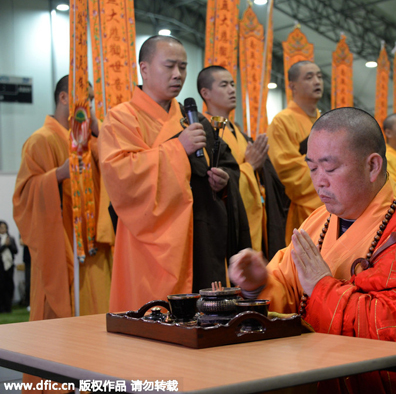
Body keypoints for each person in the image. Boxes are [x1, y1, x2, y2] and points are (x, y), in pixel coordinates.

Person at [229, 108, 396, 393]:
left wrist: (322, 287)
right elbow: (286, 287)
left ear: (372, 166)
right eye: (312, 168)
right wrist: (257, 285)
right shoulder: (318, 222)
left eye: (331, 168)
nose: (319, 181)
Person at [99, 36, 250, 313]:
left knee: (205, 321)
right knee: (156, 319)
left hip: (201, 237)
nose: (178, 75)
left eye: (183, 67)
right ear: (144, 69)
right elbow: (121, 176)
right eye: (169, 66)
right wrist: (178, 148)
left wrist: (223, 181)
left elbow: (226, 162)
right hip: (150, 243)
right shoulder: (121, 118)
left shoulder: (195, 119)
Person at [13, 75, 112, 320]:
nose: (88, 106)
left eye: (90, 99)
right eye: (84, 98)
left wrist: (101, 135)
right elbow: (23, 196)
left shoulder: (92, 142)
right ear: (63, 97)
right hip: (60, 244)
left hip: (94, 248)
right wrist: (57, 174)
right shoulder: (41, 140)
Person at [197, 66, 287, 260]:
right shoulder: (202, 131)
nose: (231, 89)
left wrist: (261, 169)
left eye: (232, 84)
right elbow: (209, 181)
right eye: (224, 85)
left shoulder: (239, 134)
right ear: (206, 93)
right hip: (227, 224)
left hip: (253, 217)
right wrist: (250, 166)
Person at [267, 61, 323, 243]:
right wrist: (331, 173)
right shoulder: (282, 122)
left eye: (319, 76)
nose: (317, 81)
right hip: (304, 212)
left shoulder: (327, 121)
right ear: (292, 86)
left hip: (334, 208)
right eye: (309, 77)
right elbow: (288, 172)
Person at [0, 221, 18, 313]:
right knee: (1, 287)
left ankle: (8, 307)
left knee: (9, 286)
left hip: (9, 266)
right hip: (1, 266)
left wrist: (9, 245)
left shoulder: (11, 238)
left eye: (4, 227)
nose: (3, 229)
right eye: (1, 227)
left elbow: (15, 251)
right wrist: (4, 245)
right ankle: (1, 307)